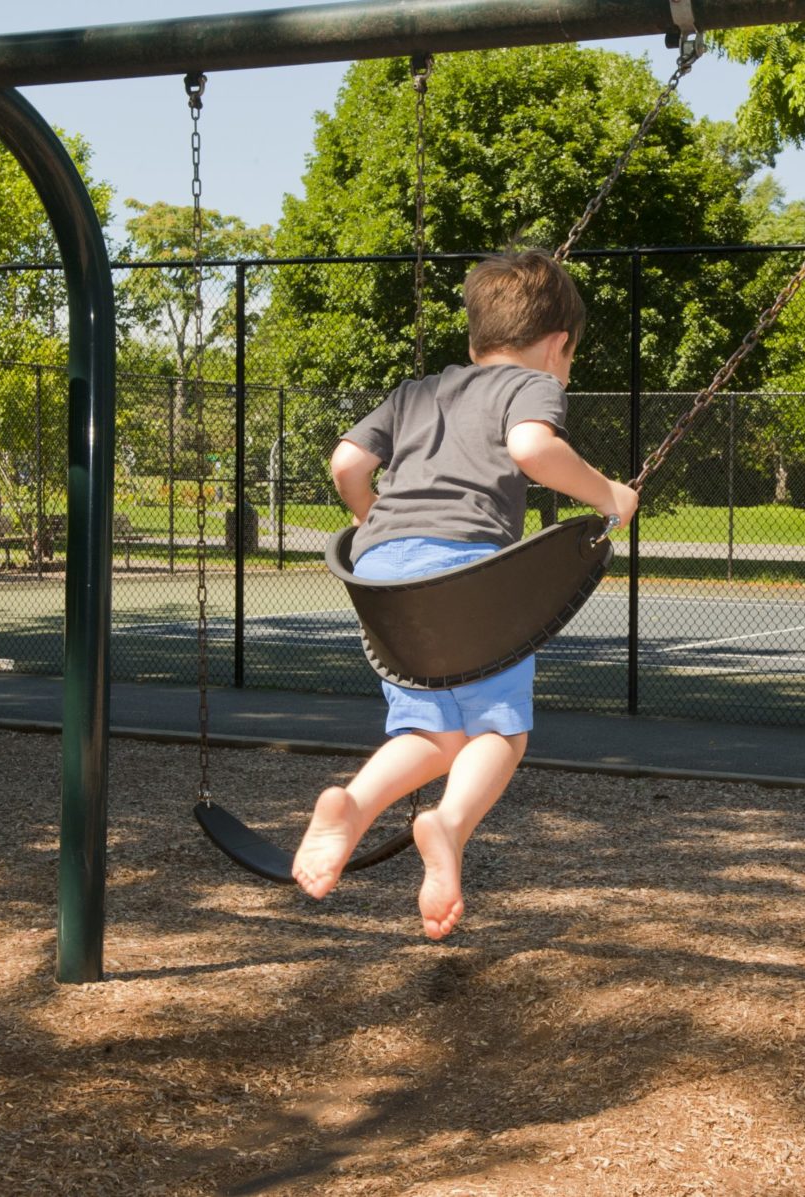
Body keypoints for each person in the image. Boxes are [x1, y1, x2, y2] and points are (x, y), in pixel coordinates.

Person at [292, 250, 639, 940]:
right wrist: (610, 496)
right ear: (557, 345)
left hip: (385, 573)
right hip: (471, 573)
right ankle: (448, 825)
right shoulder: (531, 386)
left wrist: (372, 522)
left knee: (430, 729)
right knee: (500, 730)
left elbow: (346, 463)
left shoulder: (418, 391)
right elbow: (532, 448)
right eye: (569, 361)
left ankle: (352, 805)